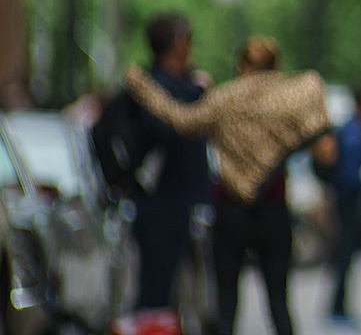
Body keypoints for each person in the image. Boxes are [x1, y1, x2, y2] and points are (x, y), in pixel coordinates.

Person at [125, 36, 333, 335]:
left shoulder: (225, 98)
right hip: (274, 209)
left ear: (241, 65)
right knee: (278, 302)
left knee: (225, 304)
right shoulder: (293, 97)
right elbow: (324, 147)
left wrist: (144, 88)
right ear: (276, 65)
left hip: (229, 209)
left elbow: (182, 120)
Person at [131, 13, 210, 311]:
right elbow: (171, 125)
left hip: (176, 202)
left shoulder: (178, 83)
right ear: (177, 44)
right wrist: (197, 91)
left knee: (171, 295)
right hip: (159, 204)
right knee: (154, 291)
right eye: (188, 39)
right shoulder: (153, 87)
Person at [328, 84, 361, 328]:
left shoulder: (359, 128)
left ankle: (340, 306)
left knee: (347, 258)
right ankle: (337, 308)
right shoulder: (354, 130)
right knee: (344, 256)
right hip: (349, 202)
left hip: (351, 199)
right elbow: (351, 173)